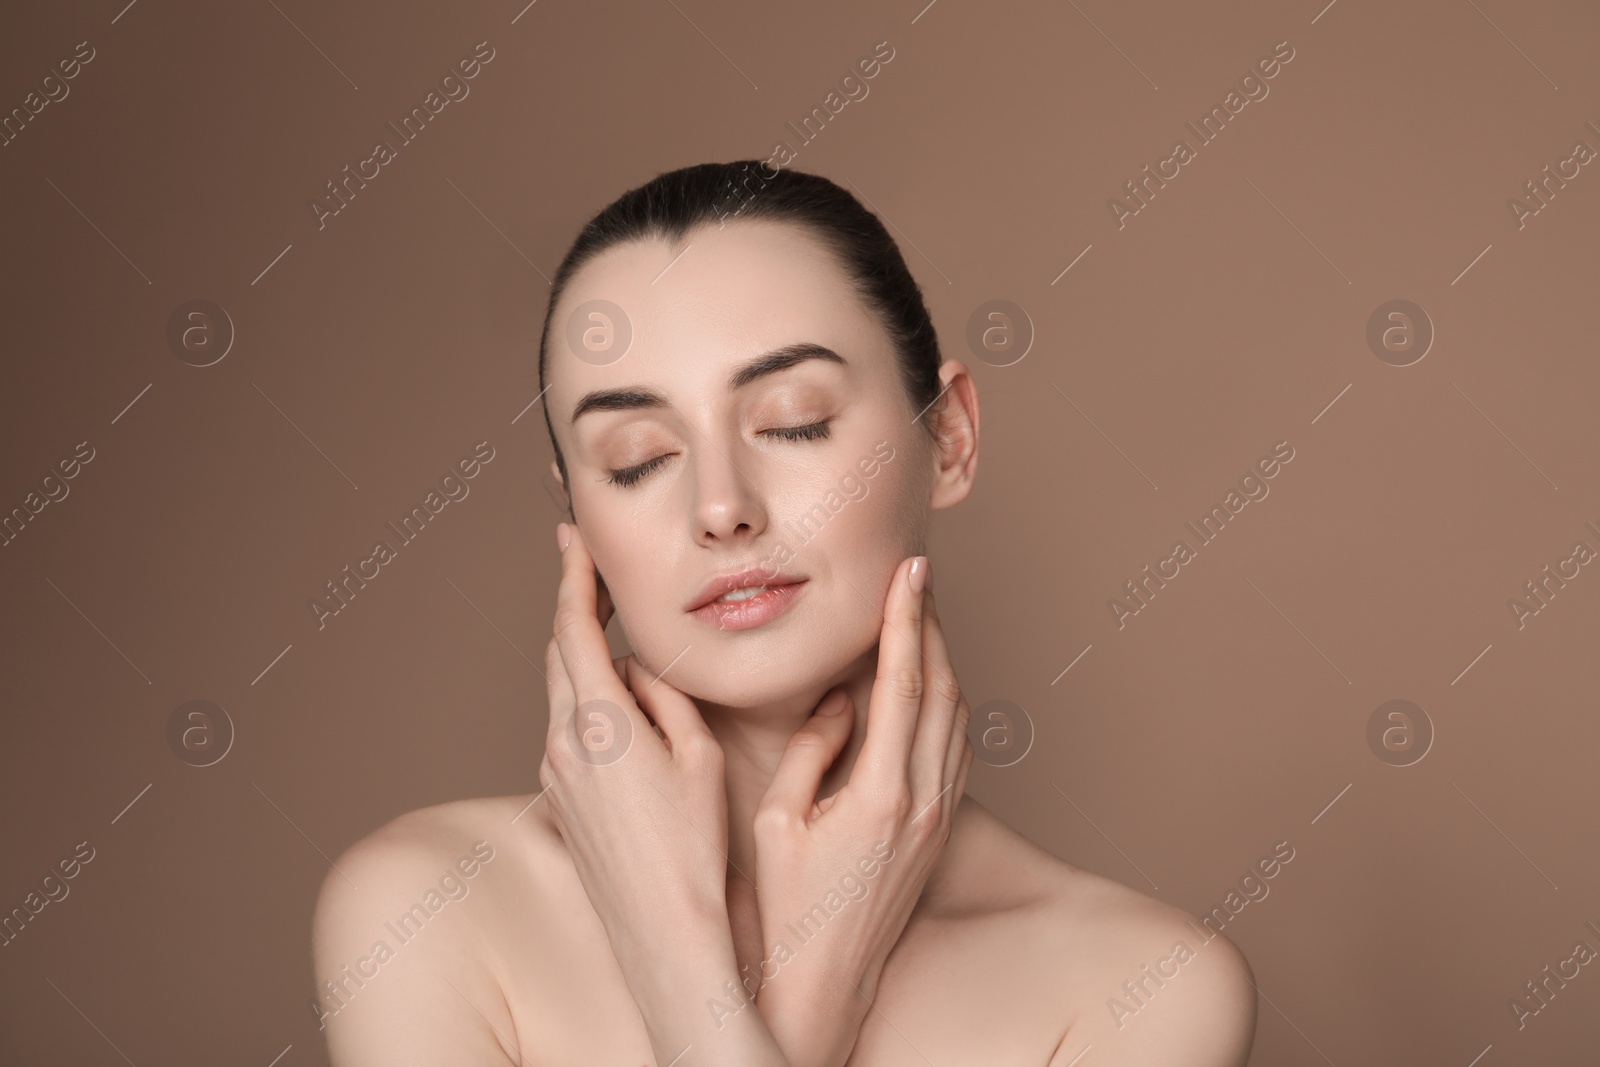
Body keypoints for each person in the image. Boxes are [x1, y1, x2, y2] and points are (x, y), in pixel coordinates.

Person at [310, 161, 1257, 1065]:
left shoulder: (1142, 988)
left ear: (950, 436)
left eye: (794, 419)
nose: (722, 506)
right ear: (577, 516)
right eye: (638, 457)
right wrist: (735, 981)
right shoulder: (424, 908)